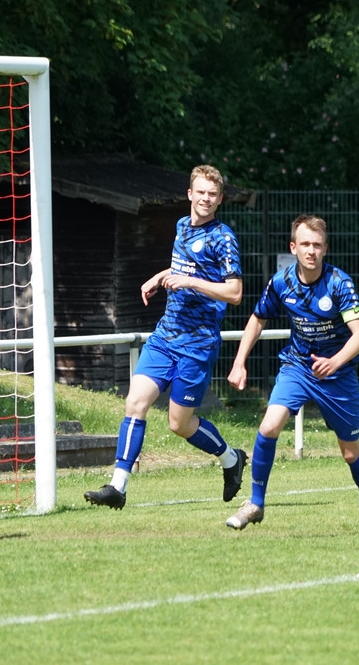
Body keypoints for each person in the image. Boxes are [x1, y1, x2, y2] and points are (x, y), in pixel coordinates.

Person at [84, 164, 247, 512]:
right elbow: (185, 267)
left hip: (197, 343)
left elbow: (234, 292)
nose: (205, 198)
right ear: (190, 194)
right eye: (200, 192)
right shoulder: (182, 226)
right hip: (165, 336)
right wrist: (159, 277)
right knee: (135, 403)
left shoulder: (223, 238)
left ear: (220, 200)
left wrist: (189, 283)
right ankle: (117, 486)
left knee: (179, 424)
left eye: (212, 194)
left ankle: (231, 459)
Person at [225, 215, 359, 533]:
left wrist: (335, 361)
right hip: (297, 367)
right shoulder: (281, 282)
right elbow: (257, 319)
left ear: (325, 249)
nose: (311, 251)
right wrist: (239, 362)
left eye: (317, 245)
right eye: (305, 244)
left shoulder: (339, 283)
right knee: (269, 426)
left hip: (337, 376)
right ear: (293, 247)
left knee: (350, 451)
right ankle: (255, 503)